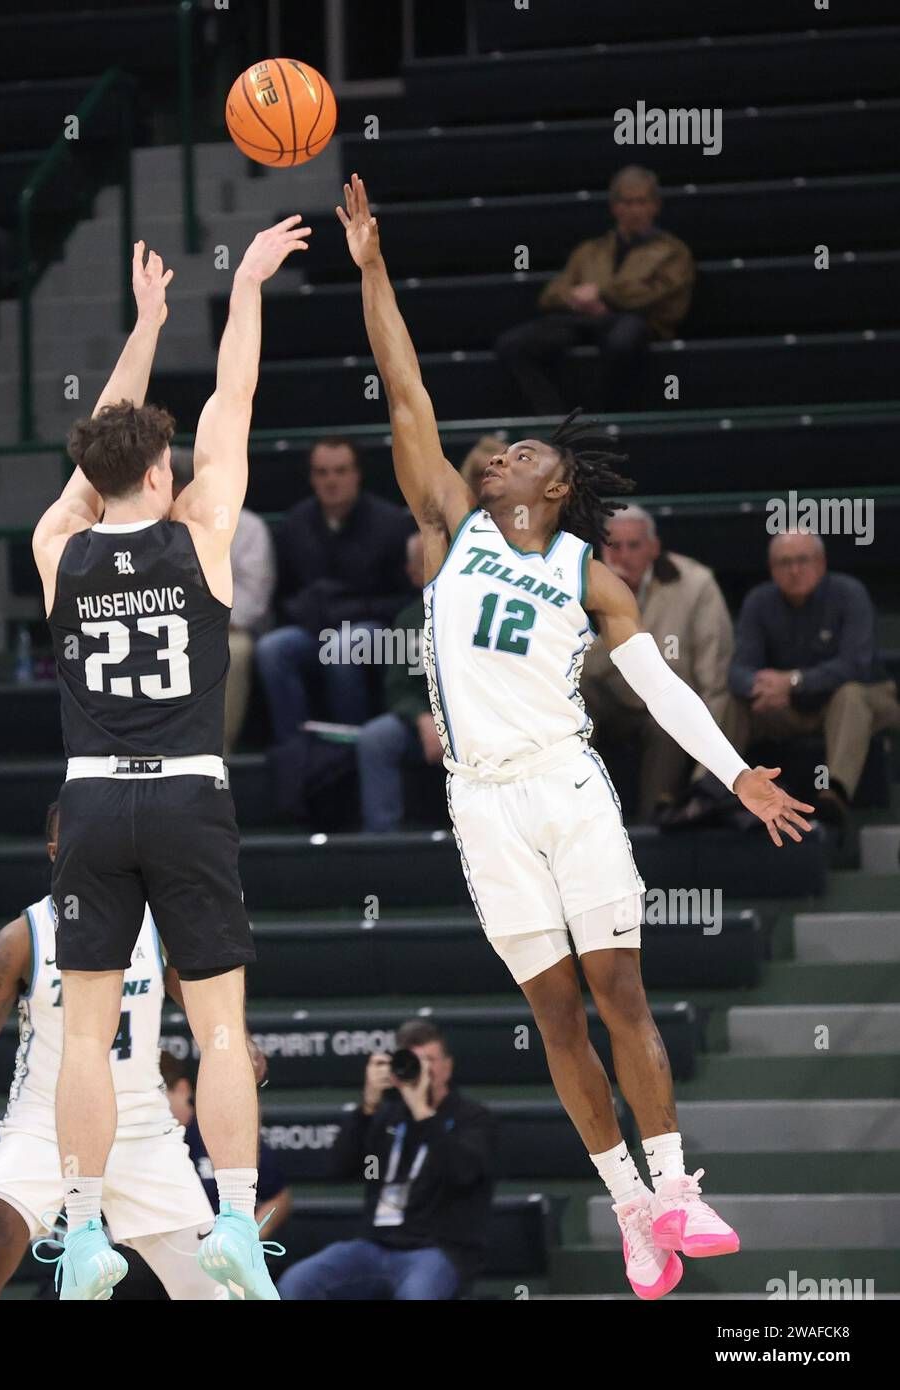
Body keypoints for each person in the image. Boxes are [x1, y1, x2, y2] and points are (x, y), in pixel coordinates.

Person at [336, 173, 813, 1300]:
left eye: (515, 452)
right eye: (491, 449)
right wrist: (370, 268)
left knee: (621, 995)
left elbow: (657, 686)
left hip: (563, 782)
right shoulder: (450, 523)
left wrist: (734, 767)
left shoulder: (586, 574)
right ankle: (632, 1209)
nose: (493, 452)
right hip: (482, 800)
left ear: (553, 484)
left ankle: (679, 1182)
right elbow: (402, 387)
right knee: (552, 1014)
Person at [30, 223, 309, 1299]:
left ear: (91, 479)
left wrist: (143, 325)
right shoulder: (199, 531)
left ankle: (87, 1234)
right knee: (222, 1027)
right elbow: (230, 402)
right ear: (159, 468)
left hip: (91, 804)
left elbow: (94, 449)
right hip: (191, 796)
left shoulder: (59, 548)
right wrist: (241, 288)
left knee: (87, 1039)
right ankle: (236, 1218)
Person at [0, 804, 222, 1302]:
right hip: (43, 1126)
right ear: (55, 853)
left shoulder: (159, 928)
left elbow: (208, 1012)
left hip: (141, 1129)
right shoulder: (21, 939)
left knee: (216, 1292)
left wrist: (239, 1044)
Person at [277, 1021, 494, 1300]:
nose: (424, 1070)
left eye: (430, 1060)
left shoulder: (473, 1118)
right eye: (415, 1061)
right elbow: (338, 1168)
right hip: (374, 1245)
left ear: (448, 1067)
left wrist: (423, 1113)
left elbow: (462, 1172)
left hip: (438, 1250)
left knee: (417, 1295)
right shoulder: (388, 1115)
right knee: (297, 1283)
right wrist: (367, 1106)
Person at [712, 531, 900, 824]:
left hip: (865, 701)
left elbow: (857, 665)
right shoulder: (759, 601)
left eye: (802, 560)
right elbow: (738, 671)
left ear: (821, 563)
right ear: (772, 568)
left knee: (850, 695)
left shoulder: (850, 593)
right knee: (732, 701)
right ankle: (708, 788)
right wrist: (760, 686)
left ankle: (835, 792)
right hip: (789, 708)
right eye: (784, 563)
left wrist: (794, 681)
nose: (794, 570)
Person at [495, 166, 694, 414]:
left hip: (639, 323)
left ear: (655, 206)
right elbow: (552, 293)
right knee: (513, 344)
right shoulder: (591, 250)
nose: (634, 210)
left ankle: (607, 418)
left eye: (641, 202)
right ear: (614, 207)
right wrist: (577, 299)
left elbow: (661, 297)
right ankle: (555, 420)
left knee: (623, 341)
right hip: (584, 320)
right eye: (626, 202)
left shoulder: (673, 252)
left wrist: (603, 294)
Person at [255, 436, 413, 744]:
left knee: (343, 645)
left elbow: (406, 601)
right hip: (314, 627)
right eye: (322, 472)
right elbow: (282, 596)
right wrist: (304, 610)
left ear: (357, 474)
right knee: (272, 648)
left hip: (373, 630)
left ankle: (351, 745)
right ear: (312, 477)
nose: (331, 481)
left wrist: (354, 611)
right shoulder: (295, 524)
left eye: (341, 471)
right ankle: (295, 749)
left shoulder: (391, 523)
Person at [580, 504, 733, 821]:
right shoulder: (584, 584)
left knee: (669, 720)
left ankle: (652, 824)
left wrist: (711, 769)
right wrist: (610, 601)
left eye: (633, 545)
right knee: (576, 694)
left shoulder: (696, 585)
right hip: (609, 698)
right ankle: (575, 813)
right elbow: (578, 666)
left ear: (654, 548)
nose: (623, 555)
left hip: (665, 701)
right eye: (614, 546)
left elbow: (714, 682)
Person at [170, 448, 275, 754]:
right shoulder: (156, 528)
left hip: (231, 629)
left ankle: (216, 751)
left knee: (233, 651)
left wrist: (201, 620)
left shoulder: (247, 526)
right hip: (173, 625)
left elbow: (252, 603)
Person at [356, 532, 443, 831]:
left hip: (476, 720)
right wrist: (422, 717)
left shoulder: (480, 610)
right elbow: (398, 686)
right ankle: (382, 842)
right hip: (425, 721)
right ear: (413, 574)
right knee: (376, 738)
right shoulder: (409, 618)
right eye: (426, 563)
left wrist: (450, 723)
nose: (436, 567)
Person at [162, 1053, 292, 1241]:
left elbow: (278, 1198)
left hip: (223, 1248)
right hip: (167, 1251)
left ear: (182, 1090)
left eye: (157, 1098)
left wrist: (246, 1241)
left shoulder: (219, 1132)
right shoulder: (142, 1146)